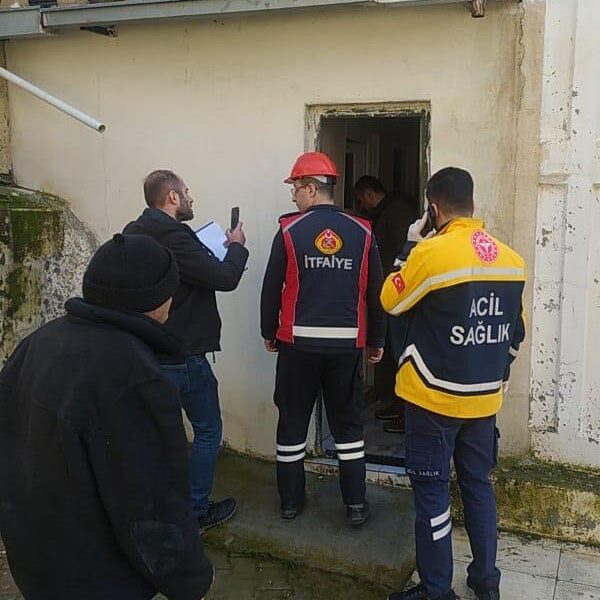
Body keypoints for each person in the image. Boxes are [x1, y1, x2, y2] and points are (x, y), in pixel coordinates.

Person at [0, 234, 214, 600]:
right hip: (97, 576)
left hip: (36, 559)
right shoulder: (134, 376)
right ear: (156, 299)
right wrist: (190, 580)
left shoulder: (40, 341)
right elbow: (152, 503)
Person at [381, 168, 526, 600]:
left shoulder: (430, 253)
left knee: (432, 496)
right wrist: (497, 374)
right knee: (479, 488)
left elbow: (391, 300)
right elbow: (515, 333)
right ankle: (486, 582)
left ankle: (437, 590)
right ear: (472, 203)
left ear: (433, 208)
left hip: (432, 399)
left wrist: (410, 244)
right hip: (483, 402)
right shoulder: (511, 260)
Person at [261, 152, 385, 524]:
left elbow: (271, 287)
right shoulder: (363, 231)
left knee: (292, 422)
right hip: (346, 347)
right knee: (347, 426)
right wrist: (377, 340)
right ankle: (356, 505)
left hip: (297, 345)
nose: (293, 196)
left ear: (312, 188)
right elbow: (376, 292)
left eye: (296, 188)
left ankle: (290, 502)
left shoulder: (289, 230)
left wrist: (269, 331)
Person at [124, 170, 248, 532]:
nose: (191, 198)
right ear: (172, 198)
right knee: (208, 431)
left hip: (145, 352)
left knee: (158, 437)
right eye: (186, 192)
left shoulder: (135, 232)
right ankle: (194, 512)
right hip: (182, 355)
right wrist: (236, 246)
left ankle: (153, 508)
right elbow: (225, 278)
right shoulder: (174, 237)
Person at [353, 175, 417, 434]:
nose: (362, 207)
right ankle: (398, 405)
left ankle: (406, 411)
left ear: (369, 195)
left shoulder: (396, 212)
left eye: (361, 201)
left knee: (401, 352)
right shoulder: (391, 210)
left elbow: (404, 253)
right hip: (393, 292)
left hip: (400, 293)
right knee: (394, 350)